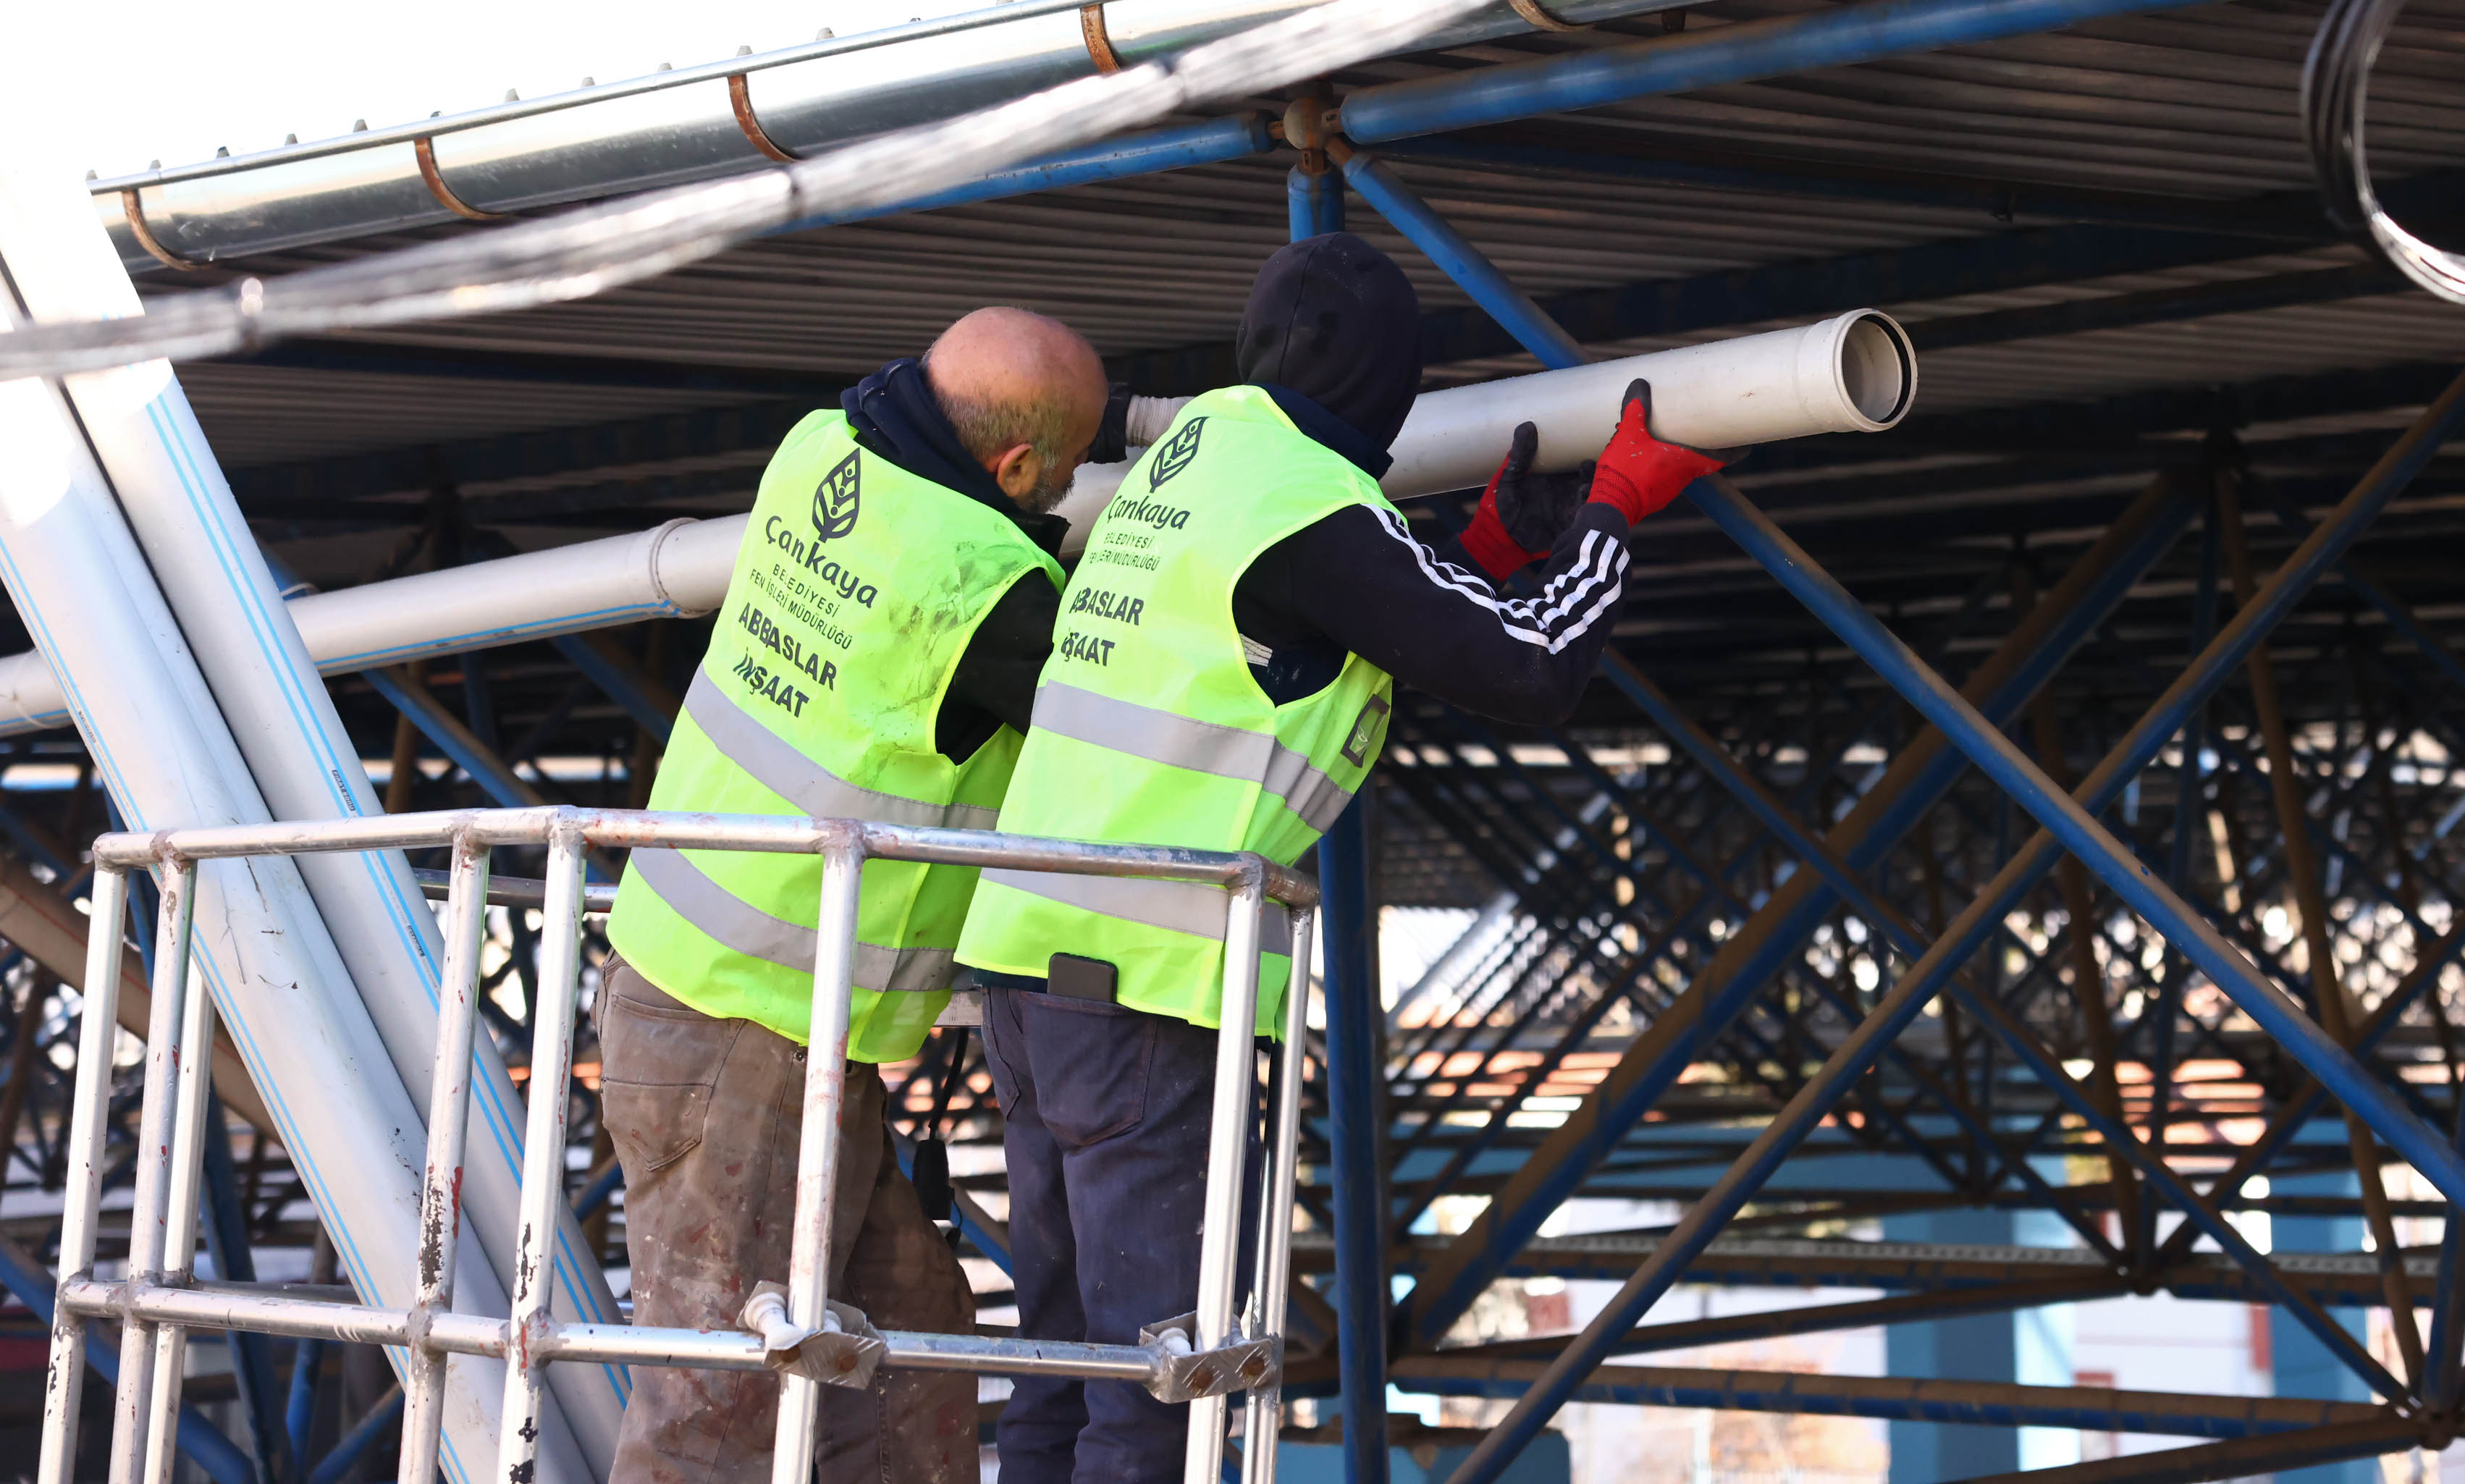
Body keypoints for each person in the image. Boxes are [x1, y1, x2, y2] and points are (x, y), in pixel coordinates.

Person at [953, 233, 1732, 1483]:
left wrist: (1478, 557)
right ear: (1386, 391)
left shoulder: (1200, 460)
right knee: (1165, 1385)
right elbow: (1533, 671)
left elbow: (1292, 648)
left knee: (1066, 1358)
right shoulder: (1305, 504)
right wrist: (1615, 512)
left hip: (1028, 971)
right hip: (1148, 990)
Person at [597, 305, 1109, 1484]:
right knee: (716, 1402)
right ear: (1018, 469)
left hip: (713, 992)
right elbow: (1134, 724)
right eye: (1061, 477)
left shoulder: (822, 443)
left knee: (903, 1351)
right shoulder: (985, 589)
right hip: (747, 1023)